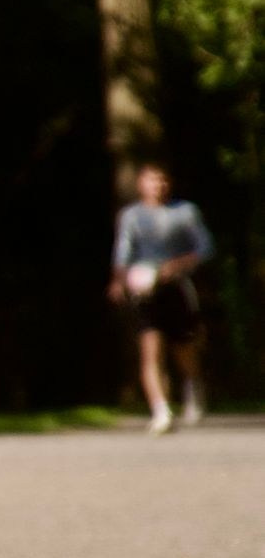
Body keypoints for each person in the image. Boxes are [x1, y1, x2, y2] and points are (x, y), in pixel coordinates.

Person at [109, 161, 213, 434]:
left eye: (162, 180)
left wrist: (176, 266)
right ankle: (160, 409)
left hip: (177, 287)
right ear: (141, 184)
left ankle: (193, 387)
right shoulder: (131, 216)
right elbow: (123, 251)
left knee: (183, 347)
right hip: (145, 290)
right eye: (152, 180)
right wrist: (119, 280)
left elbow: (205, 248)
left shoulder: (185, 212)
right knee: (150, 347)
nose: (158, 186)